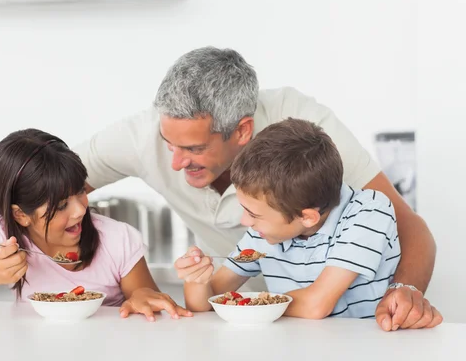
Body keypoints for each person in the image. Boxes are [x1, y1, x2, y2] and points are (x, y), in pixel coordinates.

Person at [76, 46, 440, 330]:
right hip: (275, 330)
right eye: (168, 143)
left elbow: (407, 229)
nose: (175, 162)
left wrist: (404, 290)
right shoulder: (261, 234)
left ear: (244, 132)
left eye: (195, 148)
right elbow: (206, 299)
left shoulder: (312, 144)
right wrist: (198, 280)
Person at [177, 118, 439, 329]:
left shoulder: (367, 213)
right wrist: (197, 281)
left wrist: (248, 305)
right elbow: (211, 301)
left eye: (254, 214)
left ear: (308, 217)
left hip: (364, 353)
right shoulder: (262, 236)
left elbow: (317, 304)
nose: (245, 221)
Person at [0, 129, 191, 322]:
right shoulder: (3, 236)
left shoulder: (117, 239)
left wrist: (142, 298)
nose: (81, 209)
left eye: (80, 191)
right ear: (20, 215)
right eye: (60, 206)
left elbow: (145, 295)